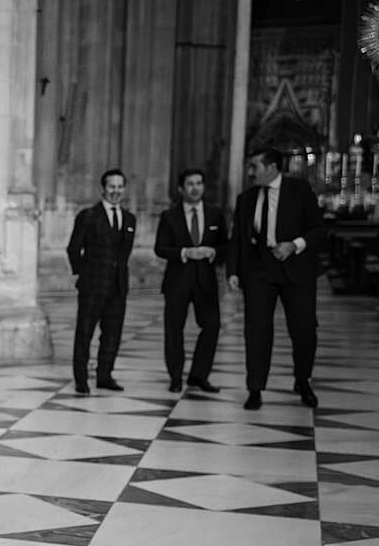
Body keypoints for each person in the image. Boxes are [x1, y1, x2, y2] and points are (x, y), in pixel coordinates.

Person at [228, 148, 326, 410]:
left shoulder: (299, 190)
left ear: (271, 167)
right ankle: (255, 388)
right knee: (257, 330)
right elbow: (237, 238)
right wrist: (234, 271)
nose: (250, 172)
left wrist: (294, 245)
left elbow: (319, 229)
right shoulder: (246, 199)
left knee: (303, 329)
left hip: (296, 270)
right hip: (259, 270)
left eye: (254, 167)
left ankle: (303, 380)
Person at [154, 168, 227, 393]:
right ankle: (175, 376)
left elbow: (225, 245)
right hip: (177, 281)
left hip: (206, 281)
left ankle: (199, 375)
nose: (195, 188)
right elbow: (160, 248)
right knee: (174, 329)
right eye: (190, 184)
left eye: (199, 183)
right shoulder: (169, 216)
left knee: (212, 326)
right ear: (181, 189)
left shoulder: (215, 214)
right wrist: (185, 252)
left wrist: (212, 252)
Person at [66, 168, 136, 393]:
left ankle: (105, 375)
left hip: (118, 286)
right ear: (103, 189)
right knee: (85, 332)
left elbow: (124, 254)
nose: (116, 191)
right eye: (111, 186)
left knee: (113, 333)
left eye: (119, 187)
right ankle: (81, 379)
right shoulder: (88, 216)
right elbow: (73, 249)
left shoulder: (129, 218)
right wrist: (84, 274)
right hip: (92, 285)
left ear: (124, 189)